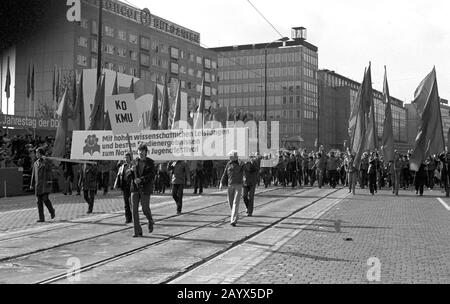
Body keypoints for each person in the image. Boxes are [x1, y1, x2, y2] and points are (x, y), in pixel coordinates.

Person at [130, 144, 156, 237]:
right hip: (135, 188)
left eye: (142, 152)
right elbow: (128, 175)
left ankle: (150, 220)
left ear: (146, 152)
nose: (140, 153)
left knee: (145, 209)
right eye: (139, 151)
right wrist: (131, 170)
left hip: (145, 188)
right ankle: (137, 231)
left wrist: (141, 179)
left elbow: (151, 175)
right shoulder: (134, 162)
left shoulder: (150, 163)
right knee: (134, 210)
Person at [30, 147, 55, 223]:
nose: (36, 154)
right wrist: (32, 184)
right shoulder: (35, 163)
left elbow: (49, 168)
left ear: (41, 153)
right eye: (36, 153)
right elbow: (33, 174)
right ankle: (41, 218)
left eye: (37, 153)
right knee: (39, 202)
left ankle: (52, 211)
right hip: (38, 185)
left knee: (45, 199)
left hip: (45, 184)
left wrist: (45, 160)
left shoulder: (46, 161)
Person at [219, 151, 244, 227]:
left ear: (234, 157)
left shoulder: (241, 163)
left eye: (231, 156)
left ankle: (233, 220)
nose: (229, 157)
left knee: (235, 202)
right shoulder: (228, 164)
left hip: (238, 185)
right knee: (230, 202)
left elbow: (247, 169)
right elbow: (225, 174)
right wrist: (221, 183)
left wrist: (243, 163)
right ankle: (235, 214)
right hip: (230, 185)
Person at [114, 153, 133, 223]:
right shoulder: (122, 167)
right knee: (126, 203)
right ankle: (128, 218)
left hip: (132, 186)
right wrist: (116, 185)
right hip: (125, 186)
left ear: (130, 158)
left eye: (128, 157)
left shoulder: (133, 165)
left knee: (132, 203)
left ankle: (133, 216)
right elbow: (118, 176)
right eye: (125, 157)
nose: (126, 159)